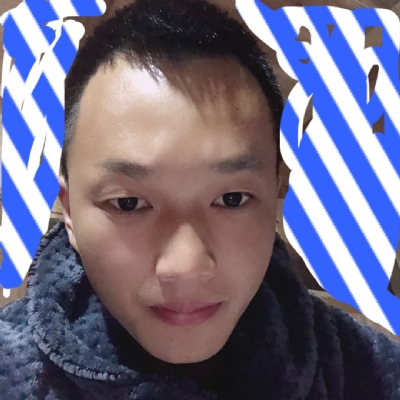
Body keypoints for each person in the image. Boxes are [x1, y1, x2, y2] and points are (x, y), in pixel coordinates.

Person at [1, 0, 399, 399]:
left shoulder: (366, 370)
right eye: (128, 203)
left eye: (232, 198)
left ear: (274, 192)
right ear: (70, 210)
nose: (185, 267)